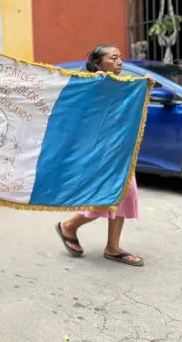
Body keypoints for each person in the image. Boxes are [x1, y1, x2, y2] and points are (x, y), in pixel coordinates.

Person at [55, 44, 149, 267]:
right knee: (106, 195)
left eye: (120, 58)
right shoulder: (87, 84)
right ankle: (70, 226)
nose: (119, 62)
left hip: (119, 152)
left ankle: (111, 246)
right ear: (98, 63)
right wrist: (94, 85)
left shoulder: (121, 86)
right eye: (113, 58)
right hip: (98, 152)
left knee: (124, 193)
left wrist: (145, 87)